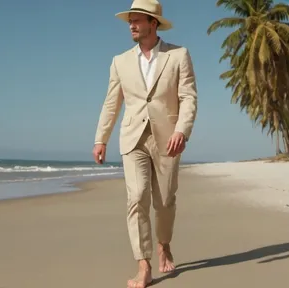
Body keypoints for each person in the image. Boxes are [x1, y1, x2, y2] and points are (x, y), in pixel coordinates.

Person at [92, 0, 197, 287]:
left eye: (137, 20)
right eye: (130, 21)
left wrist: (182, 130)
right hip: (133, 137)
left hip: (168, 138)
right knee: (137, 197)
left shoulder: (178, 55)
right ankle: (144, 264)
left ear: (153, 23)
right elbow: (111, 104)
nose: (132, 25)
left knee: (164, 201)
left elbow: (189, 97)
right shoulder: (120, 61)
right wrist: (101, 138)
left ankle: (164, 244)